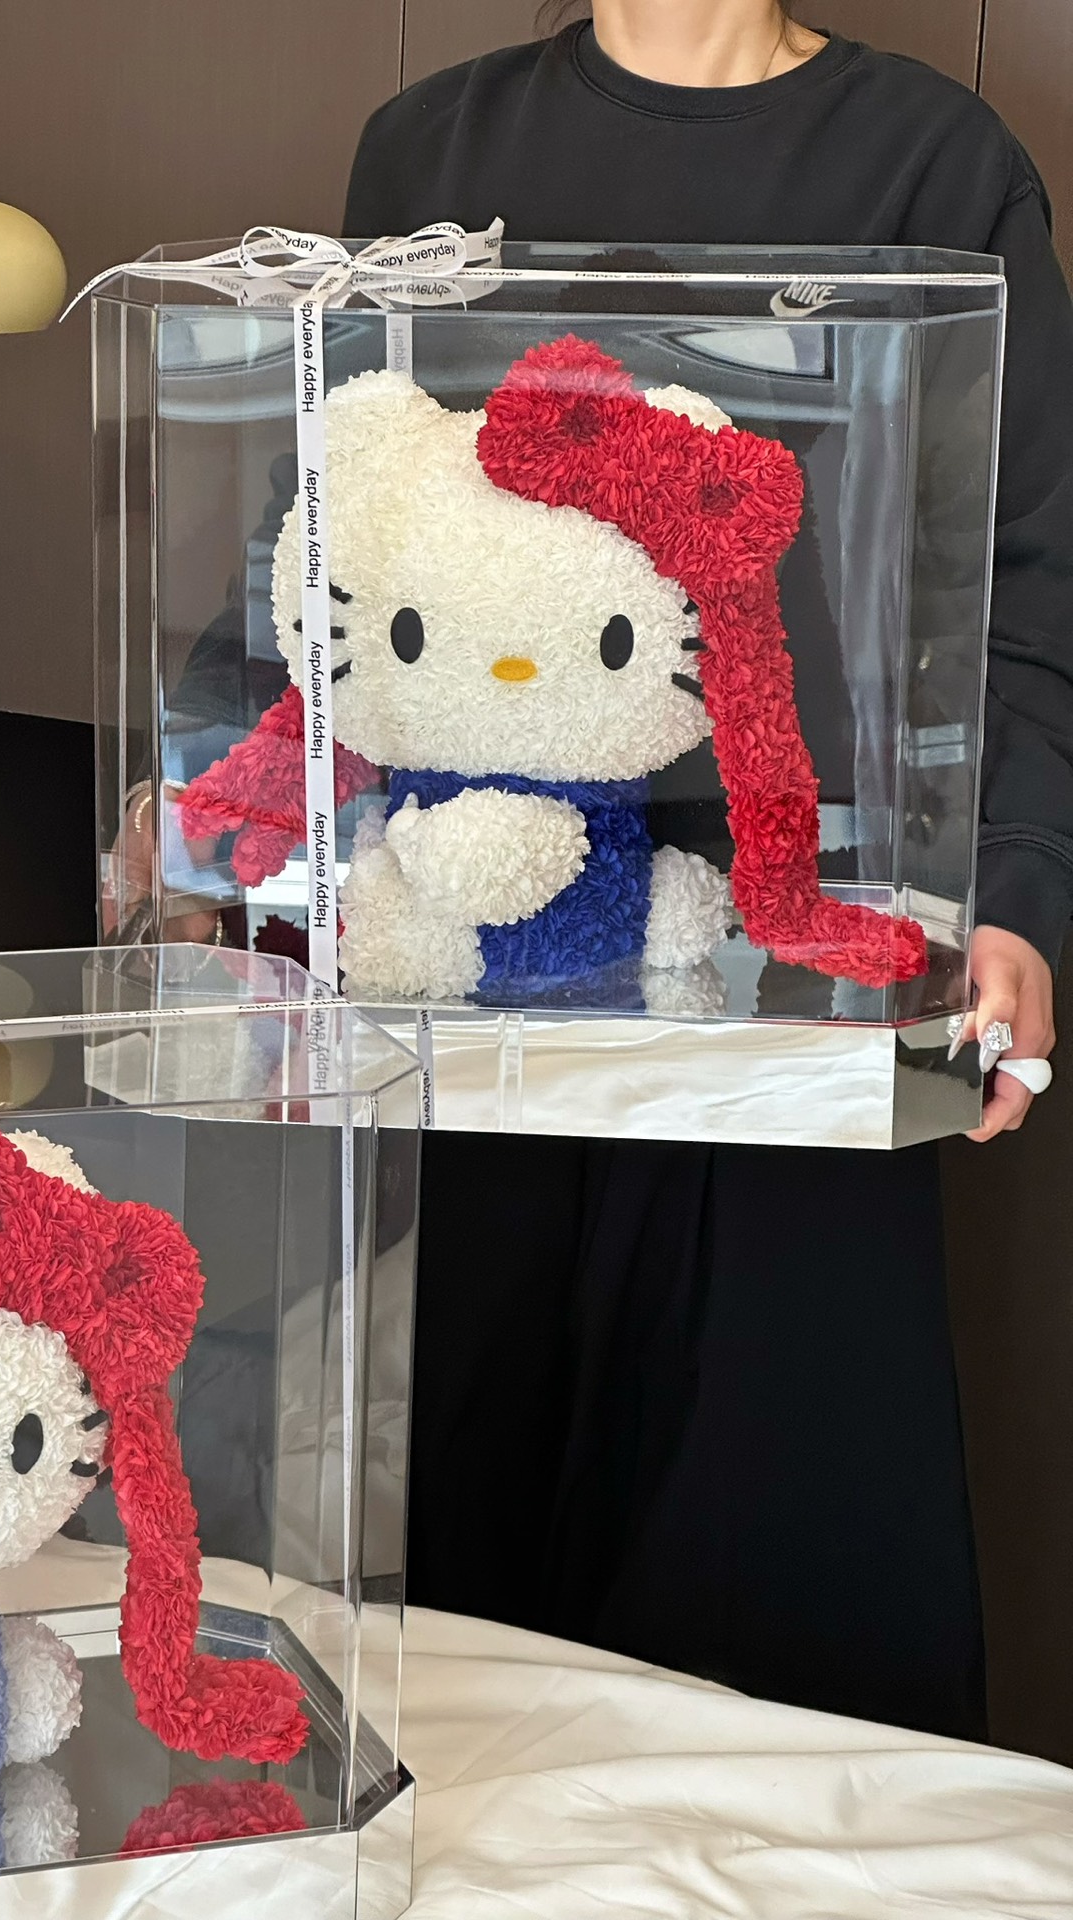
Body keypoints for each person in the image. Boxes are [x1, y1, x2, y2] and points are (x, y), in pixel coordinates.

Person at [330, 0, 1070, 1742]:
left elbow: (1025, 579)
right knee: (483, 1504)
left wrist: (1022, 891)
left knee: (791, 1526)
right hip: (492, 931)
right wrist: (227, 803)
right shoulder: (430, 148)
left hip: (815, 934)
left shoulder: (936, 159)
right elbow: (345, 509)